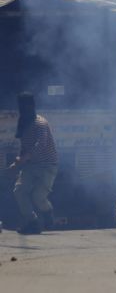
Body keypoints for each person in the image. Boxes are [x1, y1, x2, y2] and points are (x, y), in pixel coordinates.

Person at [10, 93, 58, 234]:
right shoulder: (23, 123)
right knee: (19, 191)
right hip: (31, 165)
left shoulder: (40, 123)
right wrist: (18, 161)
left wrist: (24, 158)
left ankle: (48, 212)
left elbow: (40, 145)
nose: (24, 109)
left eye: (27, 106)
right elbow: (24, 146)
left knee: (38, 197)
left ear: (32, 107)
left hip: (47, 165)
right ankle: (32, 222)